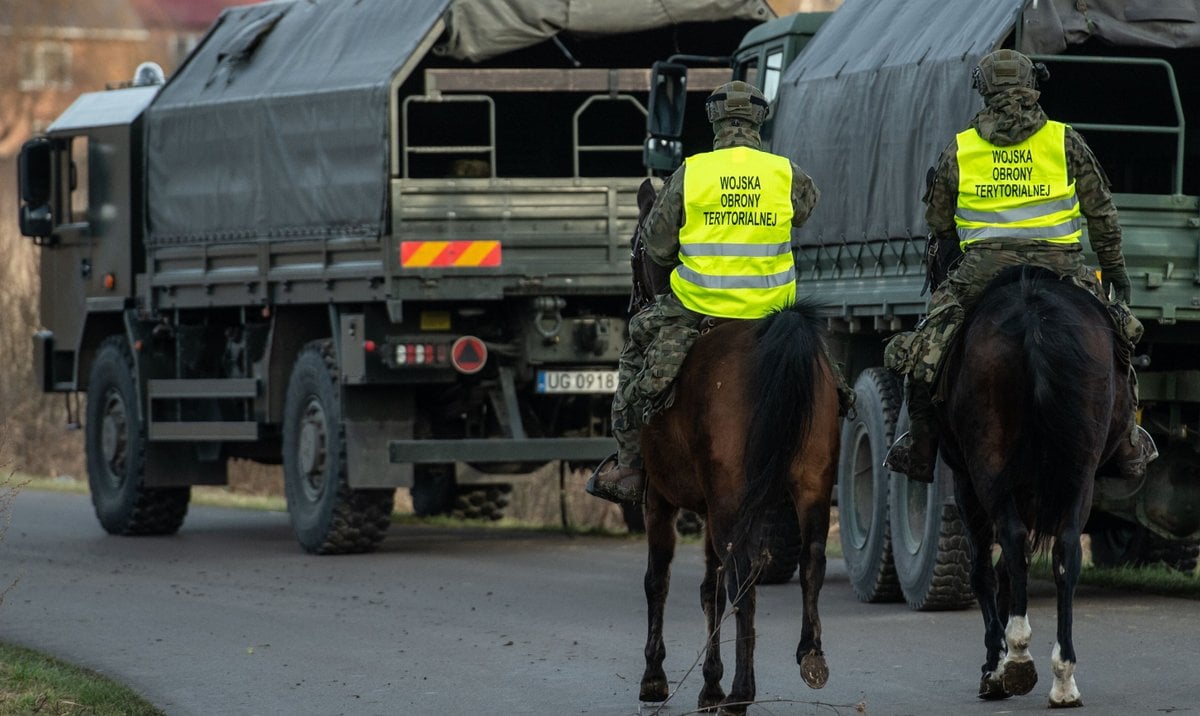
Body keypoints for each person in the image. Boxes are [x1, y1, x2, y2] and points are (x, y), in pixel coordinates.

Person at [883, 49, 1156, 484]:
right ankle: (1127, 442)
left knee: (925, 352)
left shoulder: (961, 148)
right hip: (1063, 266)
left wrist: (957, 260)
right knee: (1118, 341)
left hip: (982, 270)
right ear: (1033, 86)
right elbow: (1102, 213)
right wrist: (1115, 271)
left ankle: (919, 445)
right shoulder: (1065, 140)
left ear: (984, 90)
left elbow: (938, 222)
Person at [587, 80, 852, 504]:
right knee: (821, 364)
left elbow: (655, 244)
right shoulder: (785, 172)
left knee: (637, 343)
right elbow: (806, 209)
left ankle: (630, 465)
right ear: (759, 121)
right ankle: (838, 403)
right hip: (772, 308)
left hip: (698, 305)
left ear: (714, 121)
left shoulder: (692, 173)